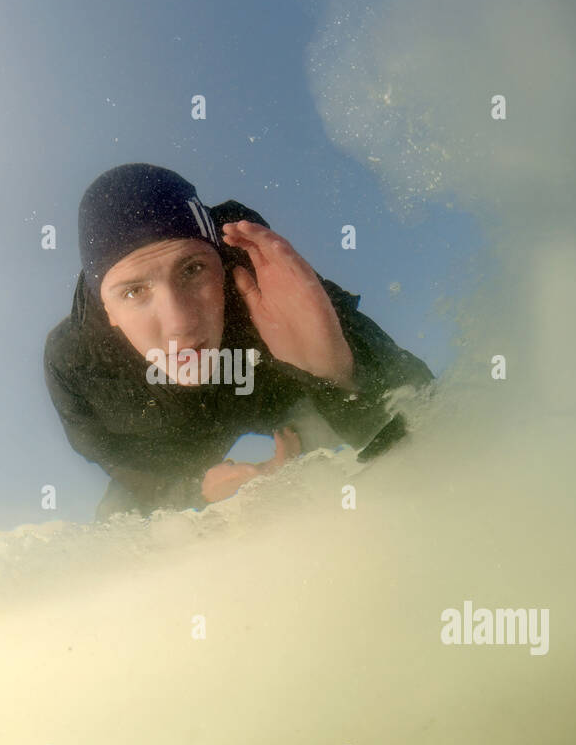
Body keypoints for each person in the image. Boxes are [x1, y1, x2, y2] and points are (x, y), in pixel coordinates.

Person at [44, 163, 436, 521]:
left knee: (396, 438)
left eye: (193, 269)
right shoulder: (76, 363)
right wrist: (195, 487)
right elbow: (111, 455)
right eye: (133, 292)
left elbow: (434, 417)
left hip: (279, 401)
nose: (179, 323)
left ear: (221, 263)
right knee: (118, 519)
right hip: (181, 446)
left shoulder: (266, 280)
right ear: (106, 309)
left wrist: (338, 373)